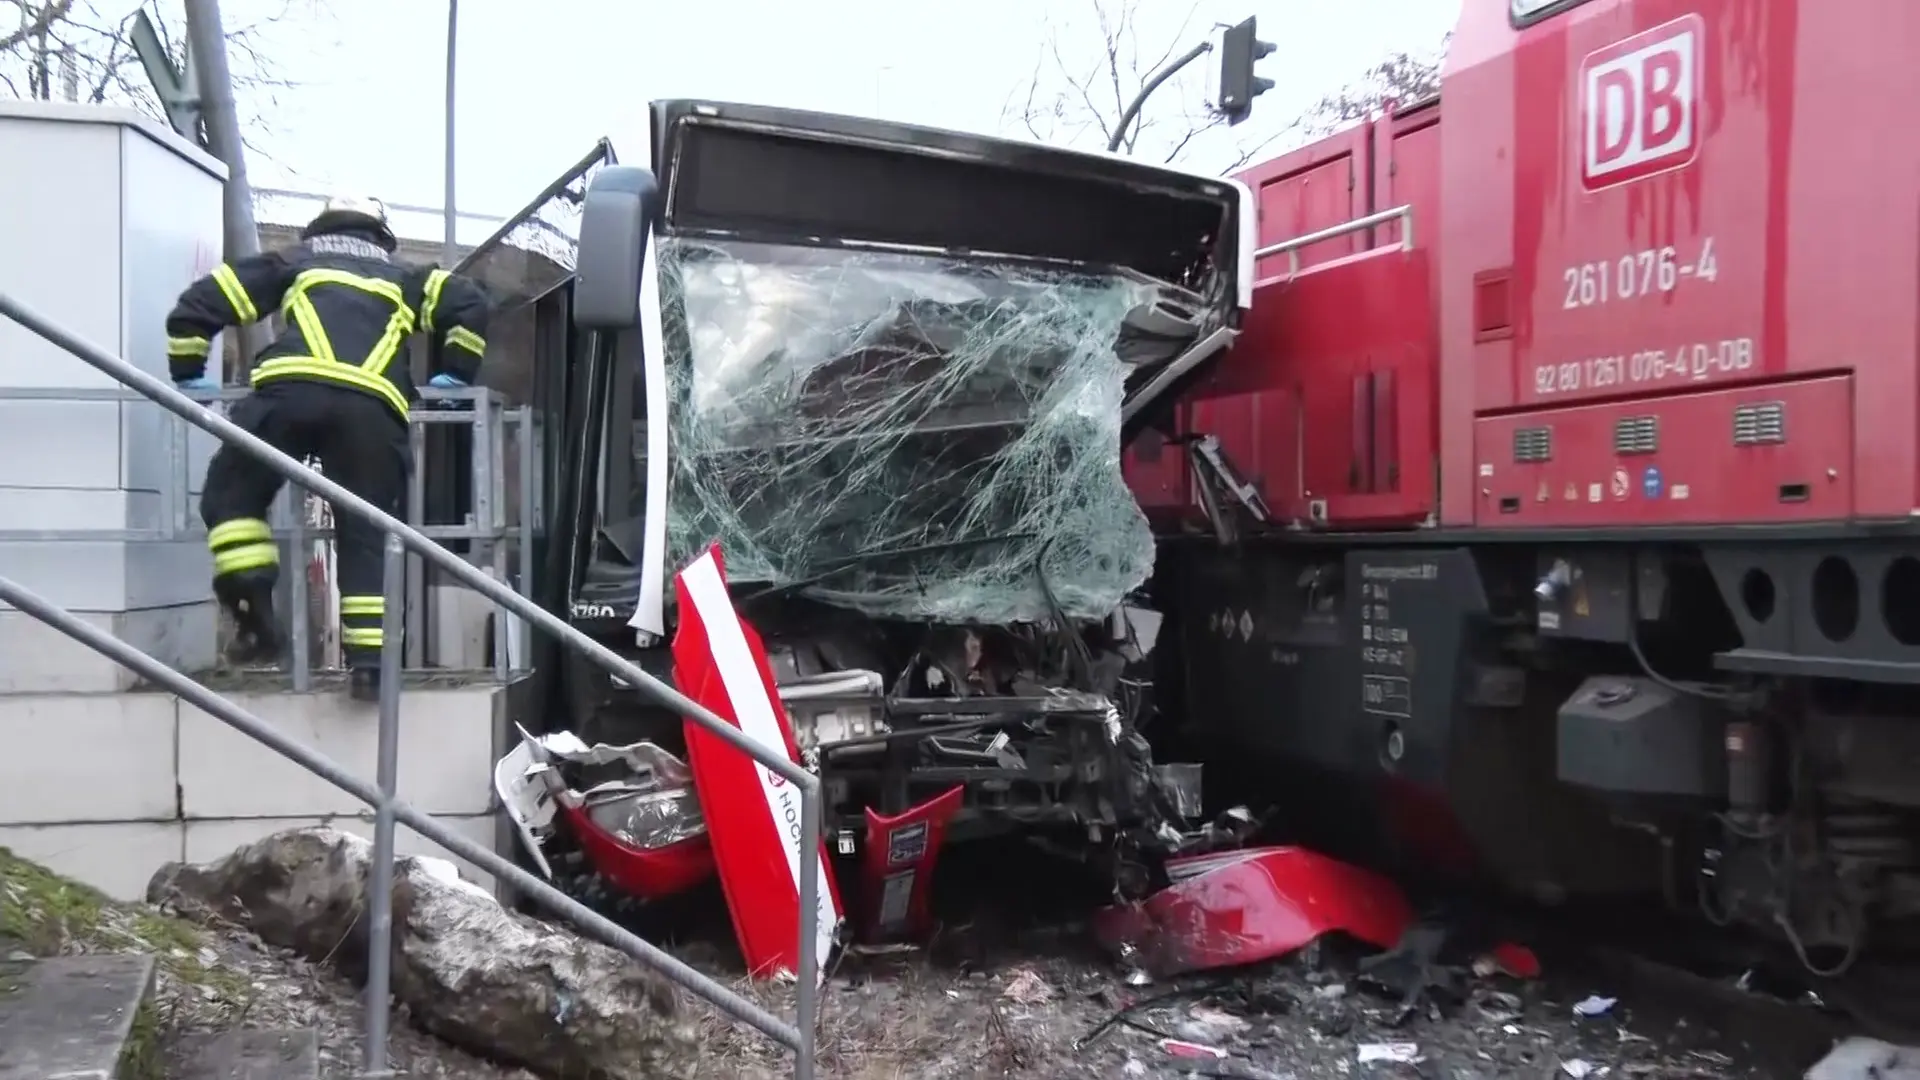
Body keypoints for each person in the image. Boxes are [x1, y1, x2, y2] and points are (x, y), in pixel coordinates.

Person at [165, 195, 490, 702]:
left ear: (316, 230)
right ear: (381, 238)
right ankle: (370, 668)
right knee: (365, 533)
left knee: (231, 500)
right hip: (371, 410)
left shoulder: (293, 263)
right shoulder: (407, 279)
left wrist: (187, 373)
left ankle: (254, 610)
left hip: (286, 396)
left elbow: (199, 304)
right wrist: (454, 377)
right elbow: (471, 304)